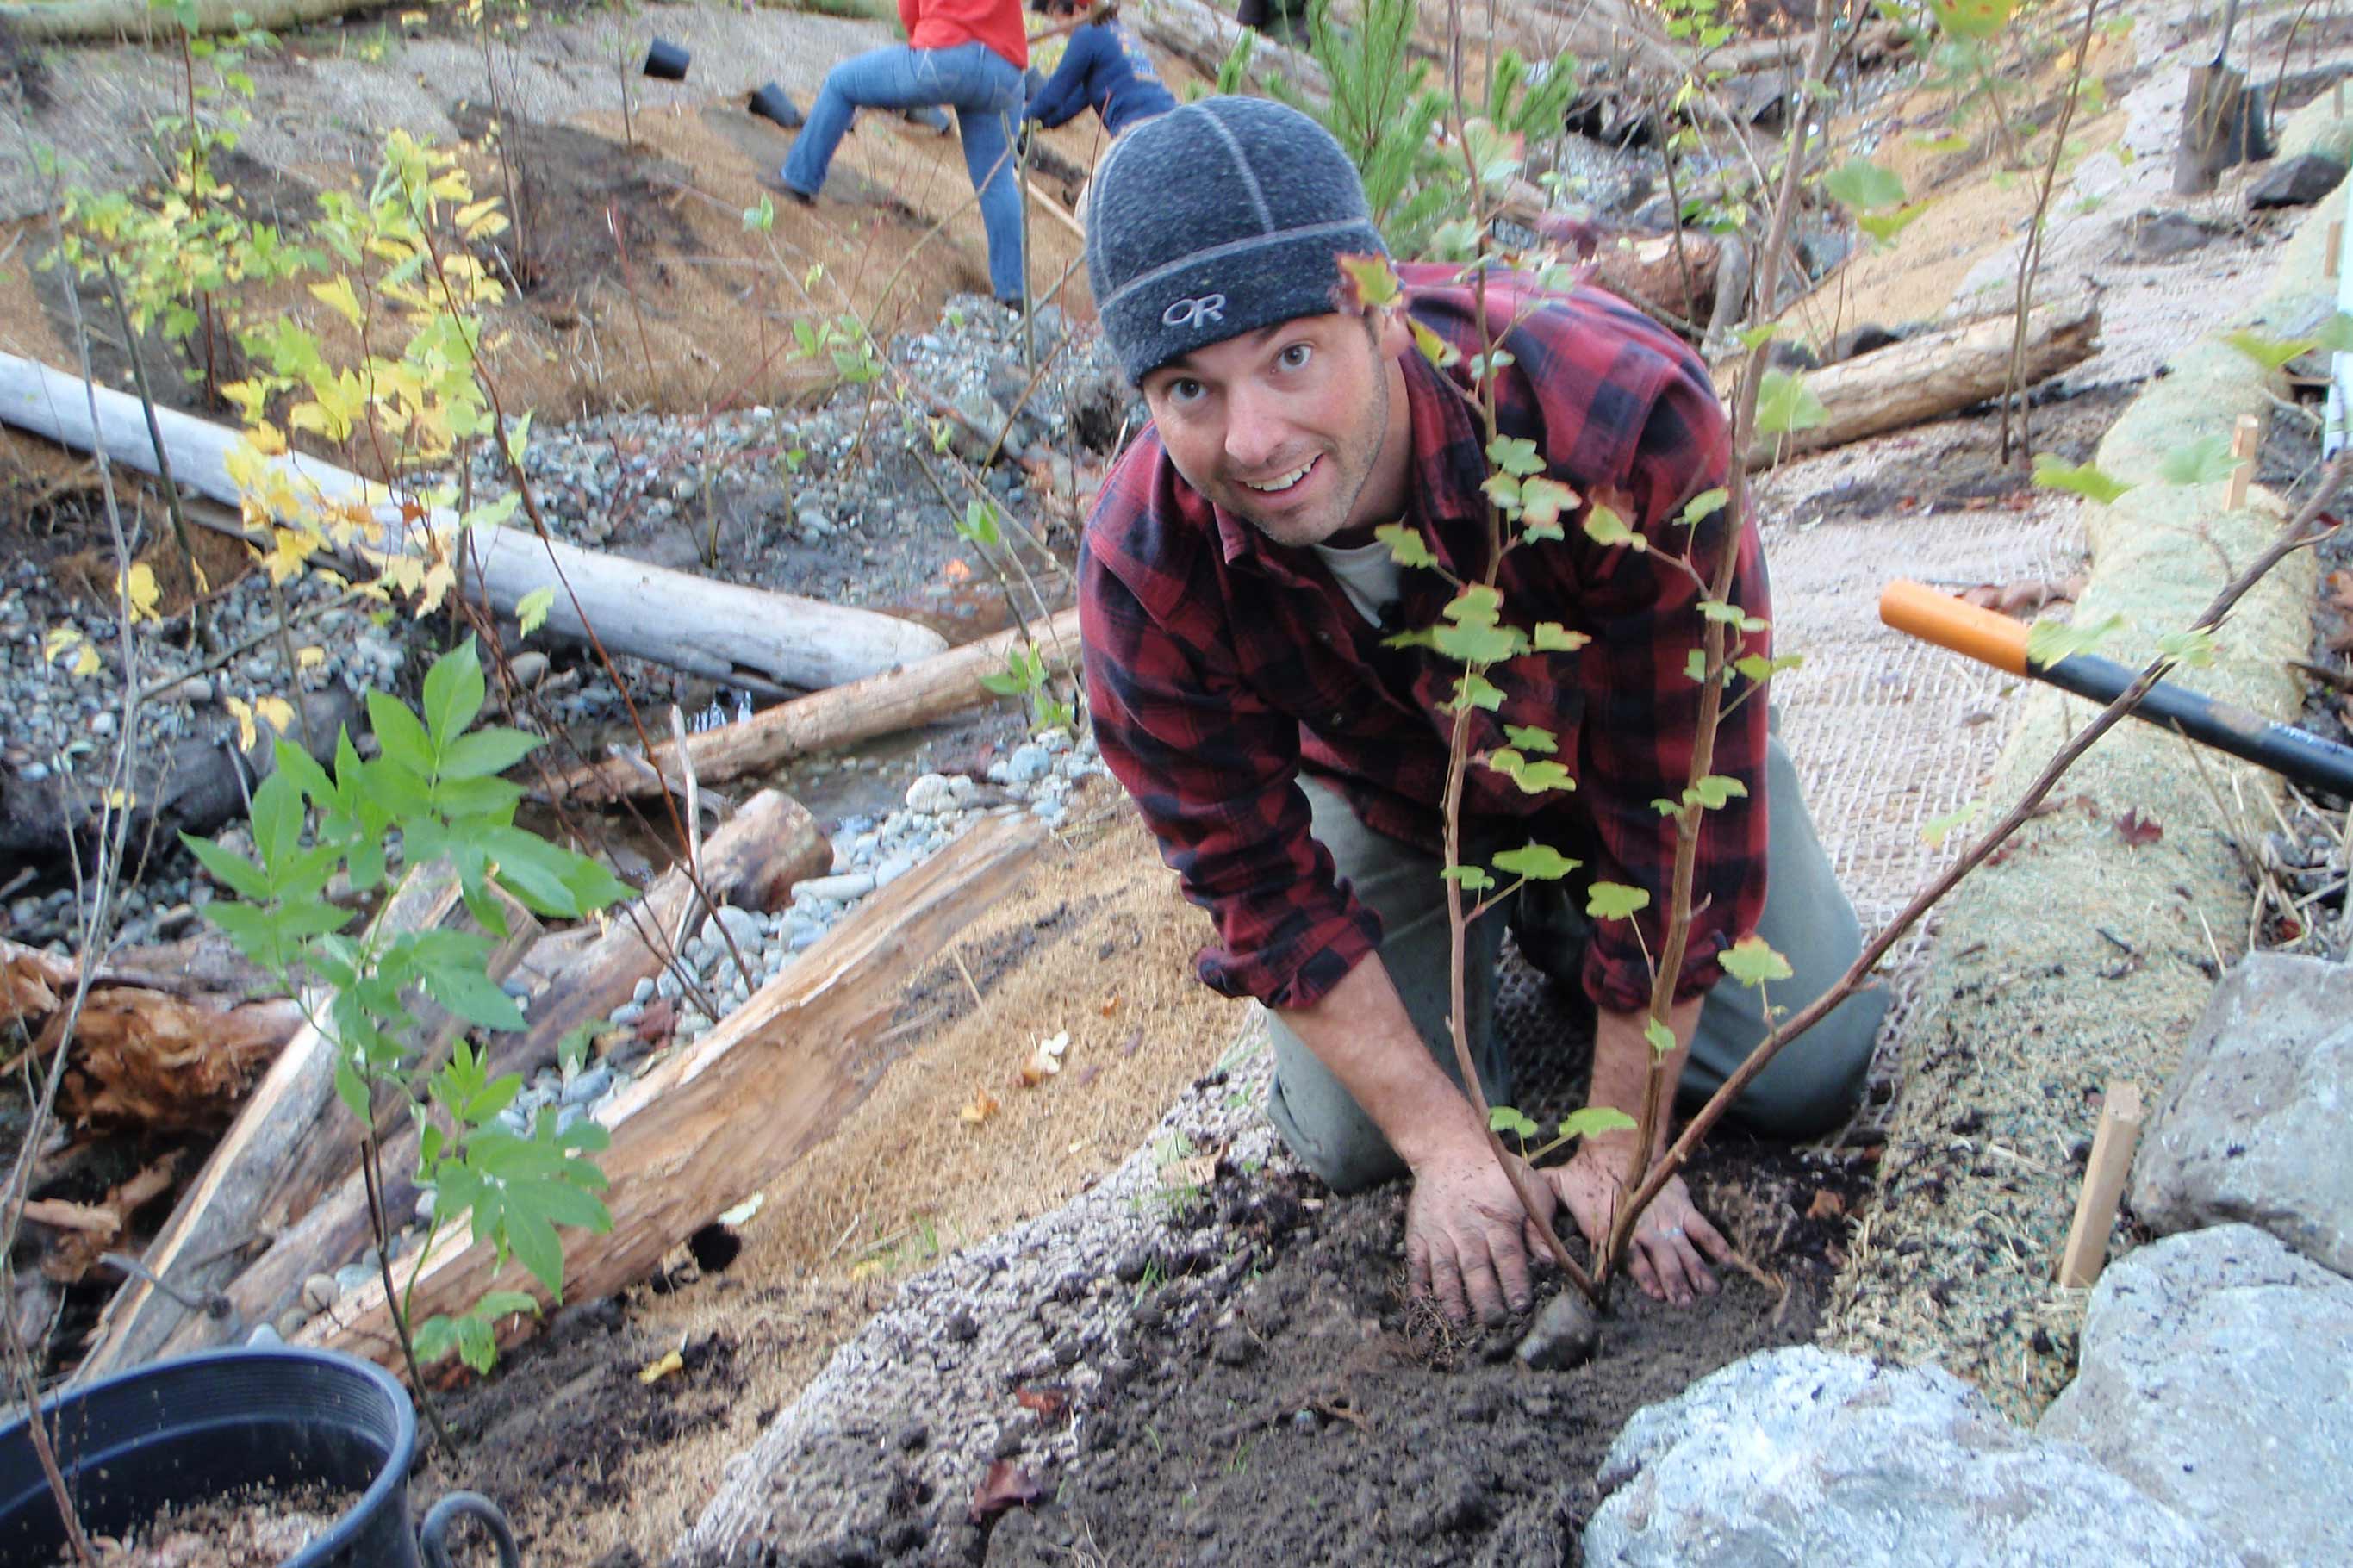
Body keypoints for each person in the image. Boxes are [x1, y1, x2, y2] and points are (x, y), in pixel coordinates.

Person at [1076, 97, 1888, 1328]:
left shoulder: (1610, 418)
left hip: (1624, 760)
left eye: (1292, 356)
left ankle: (1576, 940)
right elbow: (1256, 889)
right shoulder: (1145, 566)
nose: (1251, 440)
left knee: (1808, 1067)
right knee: (1353, 1145)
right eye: (1189, 388)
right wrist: (1446, 1146)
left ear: (1379, 309)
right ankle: (1528, 952)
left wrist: (1618, 1142)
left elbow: (1678, 816)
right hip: (1396, 803)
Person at [775, 0, 1030, 308]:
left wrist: (919, 45)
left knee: (841, 83)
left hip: (943, 56)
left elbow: (910, 9)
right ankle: (1013, 293)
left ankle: (800, 181)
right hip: (1004, 73)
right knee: (998, 182)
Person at [1022, 1, 1175, 139]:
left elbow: (1054, 94)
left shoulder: (1087, 34)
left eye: (1056, 18)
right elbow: (1068, 107)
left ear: (1076, 11)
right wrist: (1033, 124)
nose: (1059, 29)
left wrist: (1019, 122)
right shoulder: (1115, 32)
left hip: (1140, 127)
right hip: (1171, 118)